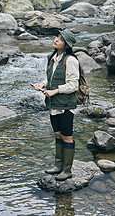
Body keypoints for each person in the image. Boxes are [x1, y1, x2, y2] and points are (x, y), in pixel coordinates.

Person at [32, 29, 79, 181]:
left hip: (65, 105)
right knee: (57, 135)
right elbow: (48, 78)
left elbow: (73, 86)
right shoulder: (52, 58)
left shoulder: (71, 60)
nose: (56, 40)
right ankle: (58, 165)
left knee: (67, 137)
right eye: (57, 37)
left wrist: (55, 91)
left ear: (66, 45)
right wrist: (42, 84)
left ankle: (67, 169)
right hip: (53, 105)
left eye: (60, 39)